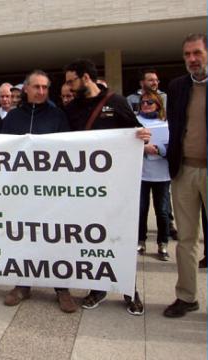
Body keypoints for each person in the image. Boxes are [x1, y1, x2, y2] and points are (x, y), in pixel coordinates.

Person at [63, 58, 149, 316]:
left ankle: (129, 289)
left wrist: (142, 136)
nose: (67, 86)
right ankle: (97, 288)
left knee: (119, 236)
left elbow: (135, 131)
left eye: (71, 81)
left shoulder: (117, 102)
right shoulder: (71, 109)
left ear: (85, 78)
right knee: (91, 236)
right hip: (85, 188)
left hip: (115, 186)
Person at [0, 70, 75, 313]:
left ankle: (61, 288)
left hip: (51, 189)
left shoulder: (57, 115)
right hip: (20, 190)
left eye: (45, 87)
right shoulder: (11, 118)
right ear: (26, 89)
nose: (41, 91)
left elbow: (70, 148)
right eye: (36, 87)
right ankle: (23, 285)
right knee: (23, 235)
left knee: (54, 236)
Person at [163, 33, 208, 318]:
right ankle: (187, 296)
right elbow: (175, 129)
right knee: (187, 239)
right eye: (187, 55)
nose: (192, 59)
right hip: (184, 171)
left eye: (197, 53)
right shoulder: (178, 87)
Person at [136, 91, 170, 261]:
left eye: (150, 102)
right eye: (143, 102)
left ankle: (163, 243)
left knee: (162, 211)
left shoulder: (166, 123)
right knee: (141, 210)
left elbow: (175, 146)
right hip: (141, 174)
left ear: (158, 104)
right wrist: (143, 148)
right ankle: (140, 241)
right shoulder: (135, 122)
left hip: (162, 174)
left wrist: (159, 149)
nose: (146, 105)